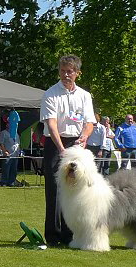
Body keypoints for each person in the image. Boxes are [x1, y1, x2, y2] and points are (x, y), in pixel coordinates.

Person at [41, 54, 96, 247]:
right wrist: (61, 148)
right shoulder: (50, 94)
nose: (66, 75)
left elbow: (89, 122)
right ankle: (53, 236)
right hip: (55, 143)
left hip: (76, 143)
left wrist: (84, 137)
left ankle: (70, 234)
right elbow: (52, 124)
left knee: (77, 189)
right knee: (55, 190)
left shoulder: (84, 96)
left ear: (77, 73)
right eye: (63, 71)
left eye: (70, 71)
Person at [0, 122, 21, 187]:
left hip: (15, 155)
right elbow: (1, 143)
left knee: (14, 170)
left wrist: (19, 151)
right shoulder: (3, 133)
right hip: (8, 155)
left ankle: (12, 182)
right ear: (7, 125)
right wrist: (4, 151)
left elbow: (18, 143)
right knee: (6, 169)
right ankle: (4, 182)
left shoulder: (16, 134)